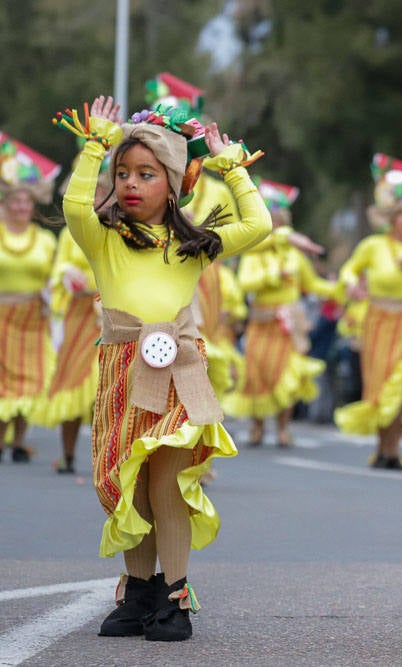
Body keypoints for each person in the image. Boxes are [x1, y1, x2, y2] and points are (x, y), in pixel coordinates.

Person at [55, 95, 271, 640]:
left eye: (146, 174)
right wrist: (95, 144)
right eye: (122, 173)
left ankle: (175, 597)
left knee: (168, 485)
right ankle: (138, 591)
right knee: (131, 486)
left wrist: (231, 169)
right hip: (121, 368)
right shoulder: (103, 239)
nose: (129, 183)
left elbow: (259, 224)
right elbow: (76, 205)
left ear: (173, 185)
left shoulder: (192, 245)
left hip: (178, 369)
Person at [334, 154, 402, 470]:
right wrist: (352, 283)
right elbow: (349, 270)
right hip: (378, 323)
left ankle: (392, 448)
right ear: (392, 218)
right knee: (381, 384)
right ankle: (384, 449)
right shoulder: (372, 246)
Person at [223, 183, 338, 448]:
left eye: (278, 222)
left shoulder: (294, 255)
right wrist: (275, 276)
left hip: (288, 326)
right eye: (270, 221)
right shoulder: (253, 252)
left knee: (287, 373)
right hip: (261, 323)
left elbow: (313, 285)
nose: (274, 226)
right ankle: (258, 426)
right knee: (258, 374)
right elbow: (246, 282)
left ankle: (283, 428)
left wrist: (341, 289)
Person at [32, 160, 111, 474]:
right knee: (74, 384)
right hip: (80, 318)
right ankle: (67, 454)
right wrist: (68, 275)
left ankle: (108, 458)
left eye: (102, 192)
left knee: (106, 387)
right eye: (92, 192)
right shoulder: (70, 234)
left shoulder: (119, 230)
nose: (96, 199)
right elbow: (58, 270)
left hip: (113, 314)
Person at [0, 133, 59, 464]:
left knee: (30, 377)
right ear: (5, 204)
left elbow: (54, 276)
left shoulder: (45, 240)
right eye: (15, 202)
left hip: (33, 318)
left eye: (27, 202)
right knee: (2, 380)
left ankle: (20, 440)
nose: (22, 207)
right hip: (1, 315)